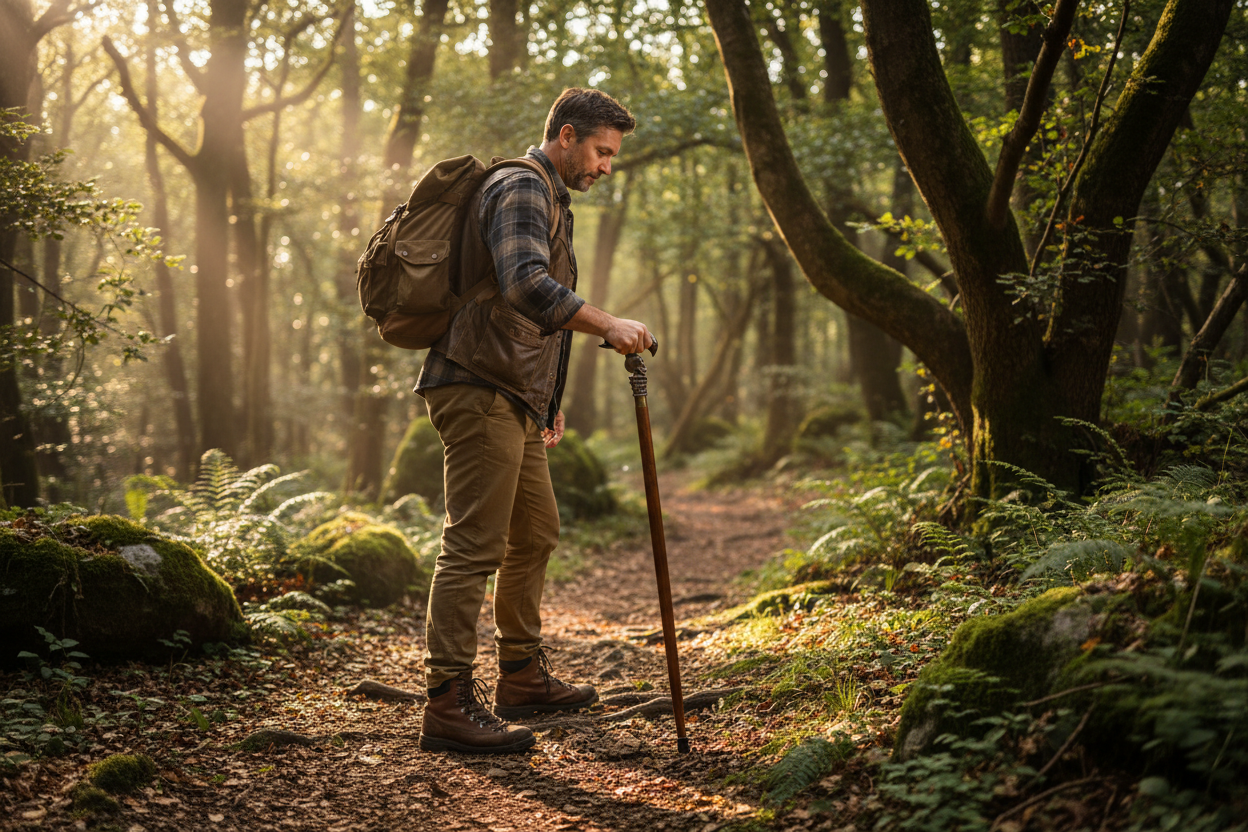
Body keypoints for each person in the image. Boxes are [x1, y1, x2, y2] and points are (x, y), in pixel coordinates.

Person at [414, 88, 653, 754]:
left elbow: (523, 310)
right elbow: (526, 286)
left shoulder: (550, 196)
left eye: (612, 156)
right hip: (480, 385)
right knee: (473, 546)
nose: (608, 166)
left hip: (513, 391)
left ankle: (519, 675)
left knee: (537, 530)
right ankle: (448, 703)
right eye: (603, 151)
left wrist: (546, 399)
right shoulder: (521, 186)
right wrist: (609, 324)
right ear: (567, 134)